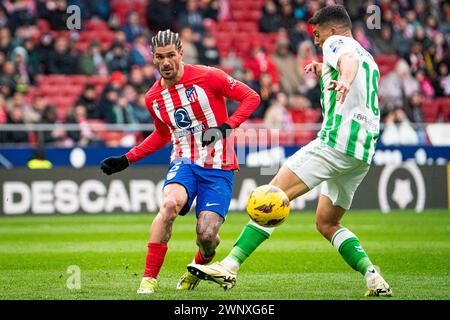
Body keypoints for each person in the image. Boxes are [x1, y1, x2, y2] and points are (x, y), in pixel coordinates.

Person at [188, 5, 392, 297]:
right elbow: (353, 68)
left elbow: (347, 62)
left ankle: (229, 266)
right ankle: (373, 277)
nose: (317, 42)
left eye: (318, 34)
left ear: (333, 30)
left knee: (271, 196)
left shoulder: (339, 43)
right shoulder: (368, 56)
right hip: (362, 152)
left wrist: (343, 79)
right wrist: (325, 71)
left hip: (335, 143)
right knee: (327, 222)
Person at [99, 29, 260, 294]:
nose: (166, 62)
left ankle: (197, 267)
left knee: (207, 236)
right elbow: (163, 134)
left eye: (171, 55)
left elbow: (251, 97)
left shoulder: (210, 76)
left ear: (181, 54)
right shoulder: (153, 98)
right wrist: (127, 159)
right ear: (153, 58)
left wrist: (226, 127)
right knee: (169, 204)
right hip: (184, 160)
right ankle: (148, 279)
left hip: (219, 166)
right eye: (160, 57)